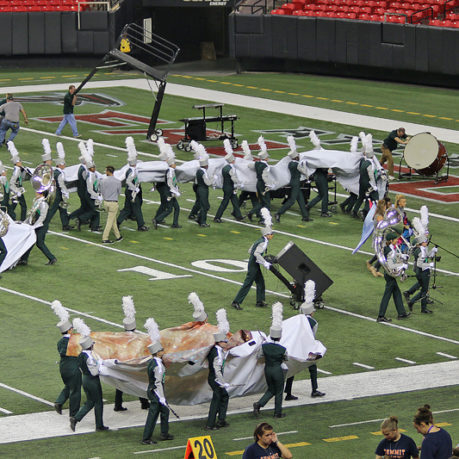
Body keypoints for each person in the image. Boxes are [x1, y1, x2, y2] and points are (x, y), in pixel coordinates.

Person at [285, 281, 325, 400]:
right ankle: (314, 389)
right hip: (306, 349)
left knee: (292, 368)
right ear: (311, 312)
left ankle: (288, 392)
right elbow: (311, 337)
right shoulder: (314, 322)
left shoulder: (296, 319)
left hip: (295, 347)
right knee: (312, 367)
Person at [232, 207, 273, 310]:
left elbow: (250, 250)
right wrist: (264, 262)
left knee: (260, 282)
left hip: (253, 262)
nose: (272, 236)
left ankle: (260, 301)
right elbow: (256, 253)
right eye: (271, 234)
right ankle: (236, 301)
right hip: (254, 264)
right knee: (248, 283)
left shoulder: (259, 240)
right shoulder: (263, 242)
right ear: (266, 235)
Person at [114, 295, 150, 411]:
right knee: (139, 381)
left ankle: (117, 404)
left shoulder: (119, 337)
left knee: (119, 384)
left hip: (122, 362)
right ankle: (144, 403)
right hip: (134, 363)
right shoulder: (138, 338)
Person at [141, 318, 174, 445]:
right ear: (157, 353)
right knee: (153, 415)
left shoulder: (154, 362)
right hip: (156, 391)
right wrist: (161, 398)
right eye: (161, 351)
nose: (163, 352)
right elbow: (158, 383)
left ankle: (164, 433)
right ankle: (146, 438)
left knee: (164, 411)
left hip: (155, 390)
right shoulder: (158, 365)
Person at [70, 328, 109, 432]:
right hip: (92, 381)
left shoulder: (81, 355)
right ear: (89, 345)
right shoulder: (89, 357)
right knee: (98, 402)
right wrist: (100, 364)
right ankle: (99, 425)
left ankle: (76, 418)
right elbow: (95, 372)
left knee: (90, 401)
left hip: (85, 379)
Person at [253, 302, 287, 418]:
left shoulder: (264, 346)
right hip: (277, 370)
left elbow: (259, 356)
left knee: (271, 389)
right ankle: (277, 412)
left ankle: (259, 404)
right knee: (278, 392)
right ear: (280, 336)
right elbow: (286, 358)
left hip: (267, 369)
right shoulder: (282, 349)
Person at [53, 301, 82, 418]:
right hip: (73, 368)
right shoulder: (74, 340)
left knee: (69, 385)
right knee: (75, 390)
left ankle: (59, 402)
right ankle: (74, 414)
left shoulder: (60, 342)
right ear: (69, 330)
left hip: (63, 367)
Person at [275, 136, 311, 223]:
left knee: (301, 199)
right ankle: (279, 213)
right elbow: (304, 172)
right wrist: (305, 166)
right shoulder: (297, 164)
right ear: (296, 157)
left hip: (293, 182)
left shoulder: (290, 164)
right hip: (296, 183)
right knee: (292, 201)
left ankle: (305, 216)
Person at [376, 232, 410, 323]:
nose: (397, 240)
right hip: (389, 275)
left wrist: (400, 255)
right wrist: (402, 265)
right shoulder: (389, 250)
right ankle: (381, 316)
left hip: (389, 274)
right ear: (391, 241)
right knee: (387, 295)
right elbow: (391, 264)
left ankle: (401, 313)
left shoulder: (389, 248)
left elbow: (393, 257)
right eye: (395, 239)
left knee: (397, 293)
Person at [117, 137, 149, 232]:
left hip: (129, 191)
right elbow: (128, 182)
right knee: (137, 208)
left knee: (127, 209)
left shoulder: (131, 169)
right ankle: (141, 225)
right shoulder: (132, 172)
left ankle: (117, 223)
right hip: (132, 192)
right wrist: (135, 188)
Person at [205, 309, 230, 430]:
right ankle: (210, 424)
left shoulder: (216, 350)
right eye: (225, 341)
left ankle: (221, 419)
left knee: (224, 396)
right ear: (220, 342)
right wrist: (223, 382)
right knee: (217, 399)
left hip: (214, 378)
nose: (226, 343)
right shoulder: (217, 354)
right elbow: (217, 370)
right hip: (215, 378)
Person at [18, 188, 57, 266]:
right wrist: (25, 222)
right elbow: (32, 214)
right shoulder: (37, 201)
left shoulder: (43, 204)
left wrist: (35, 226)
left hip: (41, 226)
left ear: (41, 194)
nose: (35, 193)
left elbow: (42, 216)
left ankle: (52, 258)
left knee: (39, 243)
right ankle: (24, 259)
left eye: (37, 192)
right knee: (30, 241)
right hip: (36, 225)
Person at [404, 234, 436, 314]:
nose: (427, 242)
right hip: (423, 272)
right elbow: (420, 264)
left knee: (423, 290)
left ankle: (413, 302)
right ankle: (422, 308)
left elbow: (427, 256)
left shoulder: (422, 249)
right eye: (425, 241)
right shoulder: (421, 251)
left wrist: (433, 250)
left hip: (421, 272)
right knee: (424, 290)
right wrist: (429, 265)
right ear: (422, 242)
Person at [44, 142, 74, 231]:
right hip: (58, 194)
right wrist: (65, 193)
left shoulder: (55, 171)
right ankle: (44, 225)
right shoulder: (59, 173)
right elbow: (61, 185)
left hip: (55, 192)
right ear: (60, 164)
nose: (65, 165)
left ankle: (65, 225)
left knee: (63, 209)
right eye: (64, 164)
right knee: (52, 211)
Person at [214, 139, 244, 223]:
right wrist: (239, 184)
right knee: (225, 203)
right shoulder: (230, 169)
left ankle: (238, 216)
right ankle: (217, 217)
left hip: (227, 187)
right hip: (229, 188)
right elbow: (233, 177)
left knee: (235, 201)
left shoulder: (225, 168)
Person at [153, 144, 181, 229]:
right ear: (171, 164)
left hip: (170, 192)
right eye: (174, 163)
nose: (175, 164)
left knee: (176, 208)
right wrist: (174, 191)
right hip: (169, 193)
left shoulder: (171, 170)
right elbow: (170, 183)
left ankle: (175, 224)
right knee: (170, 209)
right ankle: (157, 219)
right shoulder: (170, 172)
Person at [247, 137, 272, 222]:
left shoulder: (257, 163)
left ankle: (251, 212)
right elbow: (265, 177)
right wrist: (268, 185)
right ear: (265, 158)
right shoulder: (265, 166)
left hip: (258, 184)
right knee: (266, 203)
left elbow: (249, 165)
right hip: (263, 185)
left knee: (262, 201)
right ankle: (262, 219)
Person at [366, 197, 391, 278]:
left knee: (382, 252)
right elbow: (383, 225)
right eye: (384, 206)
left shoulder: (383, 214)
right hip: (379, 237)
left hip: (382, 236)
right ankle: (375, 268)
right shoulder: (379, 216)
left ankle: (371, 263)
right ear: (382, 207)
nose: (386, 207)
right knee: (383, 252)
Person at [99, 166, 122, 244]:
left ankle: (118, 236)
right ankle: (105, 238)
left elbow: (101, 191)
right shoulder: (118, 181)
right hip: (113, 203)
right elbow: (119, 192)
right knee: (110, 221)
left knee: (113, 220)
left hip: (106, 202)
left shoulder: (102, 181)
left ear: (108, 171)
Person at [8, 142, 29, 221]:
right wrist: (17, 191)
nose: (21, 162)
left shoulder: (19, 169)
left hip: (17, 189)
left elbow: (20, 179)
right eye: (19, 161)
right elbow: (11, 183)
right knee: (23, 205)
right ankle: (23, 220)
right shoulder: (17, 170)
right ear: (16, 162)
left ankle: (8, 216)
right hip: (16, 190)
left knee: (14, 205)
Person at [195, 148, 213, 227]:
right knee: (205, 206)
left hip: (199, 189)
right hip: (203, 190)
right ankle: (203, 222)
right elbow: (207, 183)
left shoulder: (199, 170)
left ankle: (199, 218)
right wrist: (213, 178)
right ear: (205, 165)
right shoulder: (203, 172)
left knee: (206, 205)